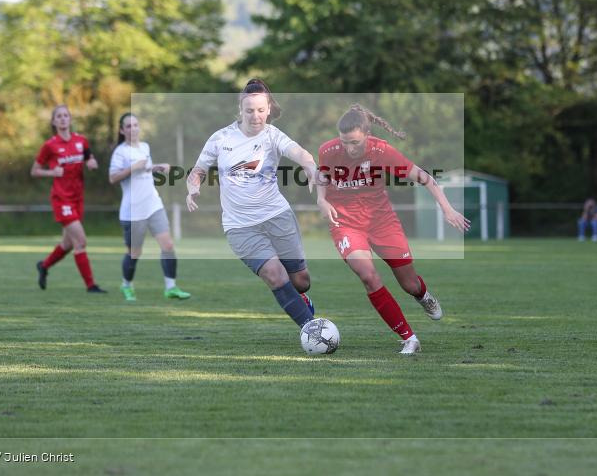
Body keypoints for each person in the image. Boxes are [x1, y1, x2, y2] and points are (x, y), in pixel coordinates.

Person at [316, 104, 470, 354]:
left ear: (367, 134)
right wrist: (321, 199)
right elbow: (322, 176)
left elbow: (426, 179)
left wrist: (447, 209)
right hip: (345, 224)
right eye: (344, 142)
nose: (348, 148)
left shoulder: (382, 151)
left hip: (382, 222)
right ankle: (409, 337)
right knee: (368, 276)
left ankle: (423, 295)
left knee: (409, 284)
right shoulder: (329, 150)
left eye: (354, 142)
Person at [186, 79, 318, 330]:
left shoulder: (273, 135)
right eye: (249, 110)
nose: (255, 116)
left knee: (301, 282)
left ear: (268, 109)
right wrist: (193, 186)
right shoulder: (220, 138)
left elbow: (301, 153)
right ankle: (311, 329)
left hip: (276, 215)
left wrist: (310, 166)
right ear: (240, 110)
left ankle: (300, 299)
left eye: (260, 110)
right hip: (240, 227)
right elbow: (198, 170)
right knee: (275, 275)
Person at [109, 112, 191, 302]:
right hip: (133, 210)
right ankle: (126, 285)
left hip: (153, 204)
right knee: (135, 252)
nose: (133, 129)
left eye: (136, 125)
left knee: (168, 245)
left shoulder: (145, 147)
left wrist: (157, 168)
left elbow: (145, 171)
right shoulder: (120, 152)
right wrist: (133, 167)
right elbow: (113, 178)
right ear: (122, 130)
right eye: (128, 126)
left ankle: (171, 287)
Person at [31, 104, 106, 293]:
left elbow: (89, 158)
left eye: (66, 115)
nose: (63, 119)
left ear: (70, 119)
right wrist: (52, 172)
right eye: (59, 116)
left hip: (78, 198)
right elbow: (35, 171)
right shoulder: (50, 145)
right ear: (54, 121)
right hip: (61, 199)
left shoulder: (81, 141)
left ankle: (44, 266)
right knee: (80, 241)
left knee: (68, 244)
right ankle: (91, 286)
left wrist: (91, 163)